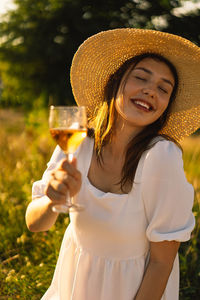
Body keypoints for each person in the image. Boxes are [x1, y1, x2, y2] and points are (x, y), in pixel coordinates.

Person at [25, 28, 200, 300]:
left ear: (166, 105)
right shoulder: (78, 141)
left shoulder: (161, 158)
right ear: (115, 82)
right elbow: (35, 224)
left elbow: (161, 263)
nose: (150, 90)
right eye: (141, 77)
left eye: (163, 89)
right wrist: (50, 200)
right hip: (72, 286)